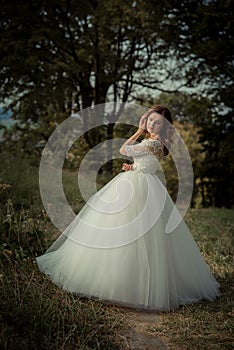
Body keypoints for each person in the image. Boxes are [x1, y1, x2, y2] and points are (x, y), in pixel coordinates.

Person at [36, 105, 221, 311]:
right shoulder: (153, 142)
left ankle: (130, 284)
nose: (152, 124)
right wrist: (133, 166)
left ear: (163, 126)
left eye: (157, 122)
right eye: (150, 120)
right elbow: (144, 162)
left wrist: (139, 130)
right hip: (137, 180)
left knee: (138, 234)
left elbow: (124, 150)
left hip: (142, 189)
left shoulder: (154, 141)